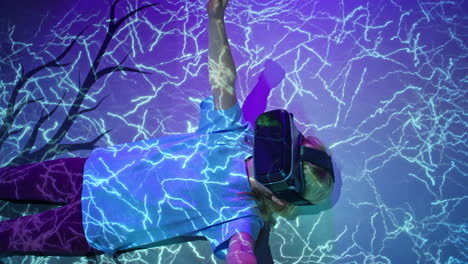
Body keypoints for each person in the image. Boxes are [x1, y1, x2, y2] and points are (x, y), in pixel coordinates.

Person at [0, 0, 334, 263]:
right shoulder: (236, 136)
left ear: (279, 194)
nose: (272, 146)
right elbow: (224, 83)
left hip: (93, 227)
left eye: (279, 158)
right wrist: (215, 17)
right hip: (92, 170)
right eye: (289, 141)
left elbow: (241, 250)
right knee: (6, 179)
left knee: (7, 236)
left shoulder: (242, 212)